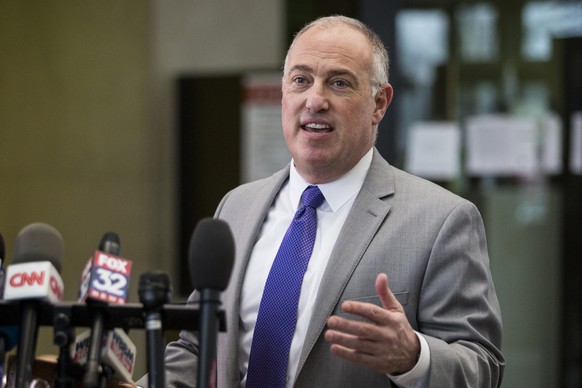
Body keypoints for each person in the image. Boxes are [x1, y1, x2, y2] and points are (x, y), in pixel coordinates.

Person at [138, 14, 505, 388]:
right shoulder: (237, 207)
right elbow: (199, 349)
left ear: (379, 103)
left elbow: (481, 366)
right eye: (300, 80)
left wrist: (413, 356)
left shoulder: (441, 220)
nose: (315, 100)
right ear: (284, 93)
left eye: (339, 83)